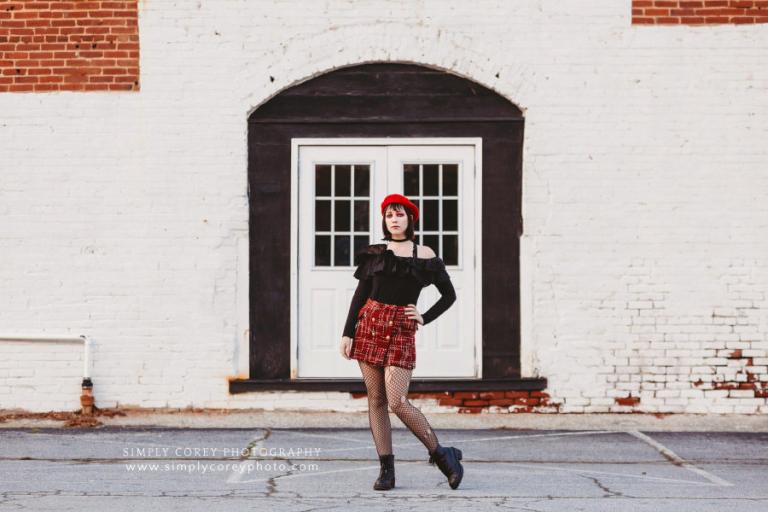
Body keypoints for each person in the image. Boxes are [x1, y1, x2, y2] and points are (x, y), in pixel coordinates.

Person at [339, 193, 464, 491]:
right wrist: (347, 333)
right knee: (377, 400)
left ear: (410, 219)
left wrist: (424, 316)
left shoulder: (425, 254)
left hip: (400, 330)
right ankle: (387, 470)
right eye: (389, 215)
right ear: (384, 220)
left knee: (397, 401)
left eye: (400, 214)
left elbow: (449, 295)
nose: (394, 220)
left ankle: (442, 455)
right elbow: (361, 295)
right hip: (369, 325)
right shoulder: (376, 253)